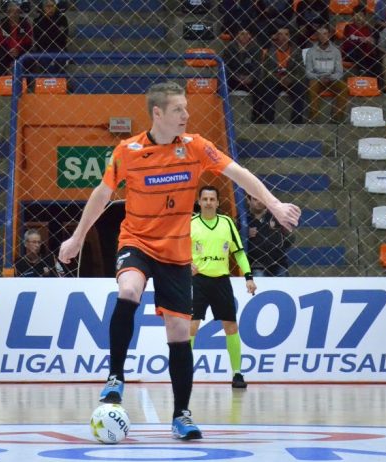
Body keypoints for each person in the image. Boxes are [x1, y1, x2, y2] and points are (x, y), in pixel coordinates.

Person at [58, 81, 300, 441]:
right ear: (158, 113)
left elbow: (239, 174)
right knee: (129, 290)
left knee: (178, 332)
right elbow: (102, 194)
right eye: (178, 109)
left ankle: (181, 415)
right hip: (137, 241)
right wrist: (77, 238)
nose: (187, 114)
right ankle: (116, 377)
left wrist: (275, 204)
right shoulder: (128, 151)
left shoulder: (196, 146)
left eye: (186, 108)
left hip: (175, 251)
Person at [190, 186, 257, 389]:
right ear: (199, 202)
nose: (208, 202)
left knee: (231, 327)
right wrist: (186, 263)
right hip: (197, 282)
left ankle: (237, 373)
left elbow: (239, 252)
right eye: (205, 199)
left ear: (218, 202)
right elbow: (176, 250)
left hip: (221, 281)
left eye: (212, 199)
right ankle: (184, 373)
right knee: (191, 327)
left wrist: (248, 277)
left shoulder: (227, 222)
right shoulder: (190, 224)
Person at [251, 27, 307, 124]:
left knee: (300, 89)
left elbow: (300, 70)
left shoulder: (296, 51)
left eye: (286, 34)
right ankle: (268, 122)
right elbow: (266, 70)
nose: (284, 37)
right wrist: (280, 79)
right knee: (268, 89)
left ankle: (296, 122)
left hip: (290, 80)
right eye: (281, 34)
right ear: (276, 36)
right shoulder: (269, 51)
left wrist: (289, 78)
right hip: (274, 79)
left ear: (290, 37)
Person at [305, 26, 349, 123]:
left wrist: (330, 77)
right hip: (317, 79)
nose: (322, 36)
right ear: (317, 36)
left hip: (332, 78)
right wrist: (320, 77)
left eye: (325, 34)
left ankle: (337, 118)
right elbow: (308, 73)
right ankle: (313, 118)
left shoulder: (336, 51)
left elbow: (339, 72)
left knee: (344, 87)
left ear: (329, 35)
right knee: (312, 85)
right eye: (320, 34)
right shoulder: (310, 52)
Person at [247, 194, 294, 277]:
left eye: (261, 199)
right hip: (255, 265)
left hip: (278, 263)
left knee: (284, 283)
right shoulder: (243, 220)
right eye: (255, 199)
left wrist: (283, 231)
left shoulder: (276, 217)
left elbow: (290, 240)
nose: (259, 202)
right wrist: (245, 234)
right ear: (248, 200)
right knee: (259, 283)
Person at [0, 1, 33, 77]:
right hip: (6, 52)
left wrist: (18, 50)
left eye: (17, 12)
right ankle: (2, 80)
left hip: (21, 51)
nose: (14, 14)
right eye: (12, 11)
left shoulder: (25, 24)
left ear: (19, 13)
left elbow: (28, 42)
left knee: (29, 59)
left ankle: (26, 82)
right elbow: (0, 41)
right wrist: (9, 51)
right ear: (8, 13)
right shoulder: (3, 24)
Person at [342, 8, 380, 78]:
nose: (359, 18)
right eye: (356, 16)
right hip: (351, 53)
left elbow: (373, 42)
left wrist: (371, 42)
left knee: (376, 59)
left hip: (366, 54)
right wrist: (361, 39)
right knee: (357, 49)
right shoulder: (348, 27)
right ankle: (364, 71)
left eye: (361, 16)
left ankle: (375, 81)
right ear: (353, 17)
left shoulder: (368, 28)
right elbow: (349, 42)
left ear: (365, 17)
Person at [32, 0, 69, 74]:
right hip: (43, 49)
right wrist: (56, 33)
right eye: (48, 6)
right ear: (43, 8)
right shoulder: (37, 21)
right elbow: (39, 40)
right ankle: (49, 80)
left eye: (52, 6)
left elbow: (63, 38)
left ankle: (60, 80)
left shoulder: (62, 19)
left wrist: (48, 34)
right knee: (45, 60)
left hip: (59, 48)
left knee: (60, 59)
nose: (50, 8)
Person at [222, 29, 262, 94]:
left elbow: (257, 67)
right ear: (237, 35)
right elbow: (226, 66)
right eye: (242, 34)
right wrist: (237, 77)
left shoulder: (256, 48)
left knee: (260, 87)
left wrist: (250, 77)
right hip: (233, 79)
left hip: (250, 80)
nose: (245, 36)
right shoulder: (229, 48)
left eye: (247, 34)